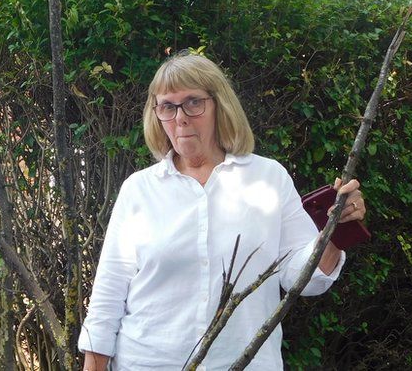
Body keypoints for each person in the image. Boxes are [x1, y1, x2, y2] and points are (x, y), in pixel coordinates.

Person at [78, 53, 367, 370]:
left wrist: (335, 231)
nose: (180, 118)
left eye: (193, 103)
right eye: (167, 106)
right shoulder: (139, 189)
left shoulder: (268, 178)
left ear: (220, 105)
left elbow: (304, 278)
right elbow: (108, 296)